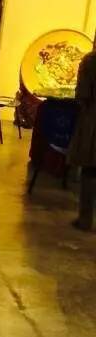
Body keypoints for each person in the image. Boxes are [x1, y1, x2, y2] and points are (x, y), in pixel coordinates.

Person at [67, 39, 96, 231]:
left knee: (90, 171)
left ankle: (85, 219)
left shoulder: (90, 60)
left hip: (93, 121)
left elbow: (82, 94)